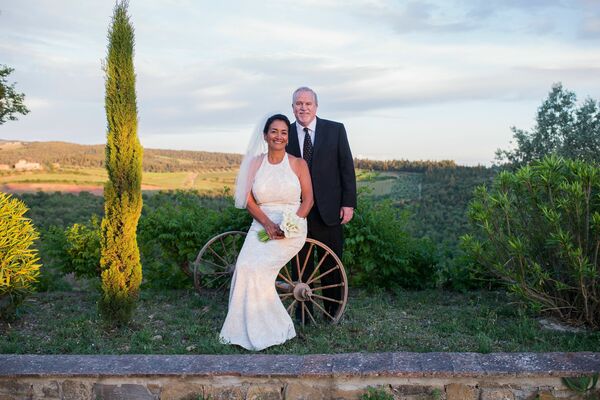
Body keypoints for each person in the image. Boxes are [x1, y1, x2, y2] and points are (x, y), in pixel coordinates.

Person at [219, 114, 313, 351]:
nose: (279, 136)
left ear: (288, 138)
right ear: (265, 135)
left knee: (259, 270)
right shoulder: (255, 163)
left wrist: (292, 223)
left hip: (291, 227)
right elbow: (247, 198)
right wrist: (267, 223)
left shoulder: (298, 164)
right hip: (261, 224)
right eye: (274, 131)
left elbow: (308, 200)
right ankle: (241, 329)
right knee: (244, 267)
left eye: (283, 132)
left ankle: (274, 327)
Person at [286, 87, 357, 320]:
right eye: (299, 103)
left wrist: (348, 203)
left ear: (316, 106)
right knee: (300, 264)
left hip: (330, 210)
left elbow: (346, 168)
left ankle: (332, 311)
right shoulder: (284, 133)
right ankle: (303, 313)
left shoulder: (335, 130)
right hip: (297, 212)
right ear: (293, 107)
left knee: (330, 264)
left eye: (308, 103)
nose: (303, 107)